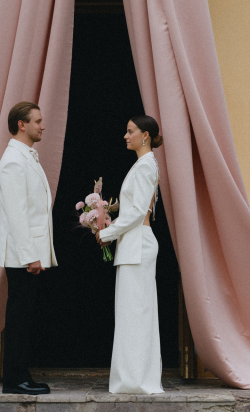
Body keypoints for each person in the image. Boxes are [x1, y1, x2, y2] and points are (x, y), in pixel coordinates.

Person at [98, 115, 164, 395]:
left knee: (135, 315)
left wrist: (106, 233)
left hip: (138, 246)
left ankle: (137, 380)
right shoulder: (143, 165)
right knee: (132, 315)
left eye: (130, 131)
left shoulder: (146, 166)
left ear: (145, 135)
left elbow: (138, 213)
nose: (126, 136)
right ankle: (133, 378)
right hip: (134, 244)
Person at [0, 102, 57, 395]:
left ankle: (21, 374)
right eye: (38, 121)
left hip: (28, 255)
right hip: (22, 257)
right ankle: (14, 380)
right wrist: (29, 255)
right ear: (22, 124)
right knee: (19, 317)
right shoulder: (13, 161)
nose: (42, 126)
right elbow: (16, 214)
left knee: (24, 316)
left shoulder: (26, 158)